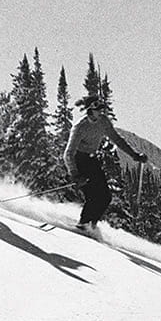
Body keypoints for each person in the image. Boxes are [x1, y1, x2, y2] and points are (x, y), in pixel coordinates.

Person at [63, 94, 147, 231]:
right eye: (98, 108)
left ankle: (92, 225)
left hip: (91, 160)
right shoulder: (80, 127)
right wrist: (75, 175)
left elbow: (117, 140)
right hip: (79, 160)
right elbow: (68, 154)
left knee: (106, 197)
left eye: (102, 108)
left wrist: (134, 155)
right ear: (90, 109)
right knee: (92, 196)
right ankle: (83, 224)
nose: (101, 111)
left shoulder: (103, 122)